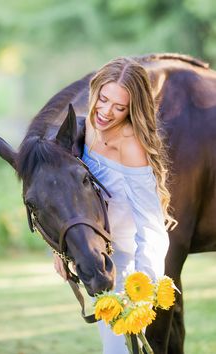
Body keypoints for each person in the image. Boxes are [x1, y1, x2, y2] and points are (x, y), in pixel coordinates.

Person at [54, 56, 176, 354]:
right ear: (95, 90)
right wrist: (59, 249)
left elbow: (150, 225)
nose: (106, 112)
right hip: (97, 260)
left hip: (128, 268)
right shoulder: (86, 130)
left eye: (119, 107)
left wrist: (143, 290)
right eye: (103, 99)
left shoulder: (131, 146)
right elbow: (69, 196)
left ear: (132, 109)